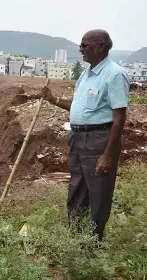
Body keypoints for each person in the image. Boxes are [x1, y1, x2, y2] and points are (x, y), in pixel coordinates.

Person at [41, 29, 130, 242]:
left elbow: (119, 117)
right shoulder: (86, 74)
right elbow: (78, 107)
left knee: (98, 191)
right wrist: (53, 99)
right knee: (77, 187)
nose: (81, 49)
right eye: (81, 45)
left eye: (85, 45)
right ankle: (75, 236)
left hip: (99, 139)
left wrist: (107, 155)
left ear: (101, 47)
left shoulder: (114, 74)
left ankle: (92, 241)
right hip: (78, 137)